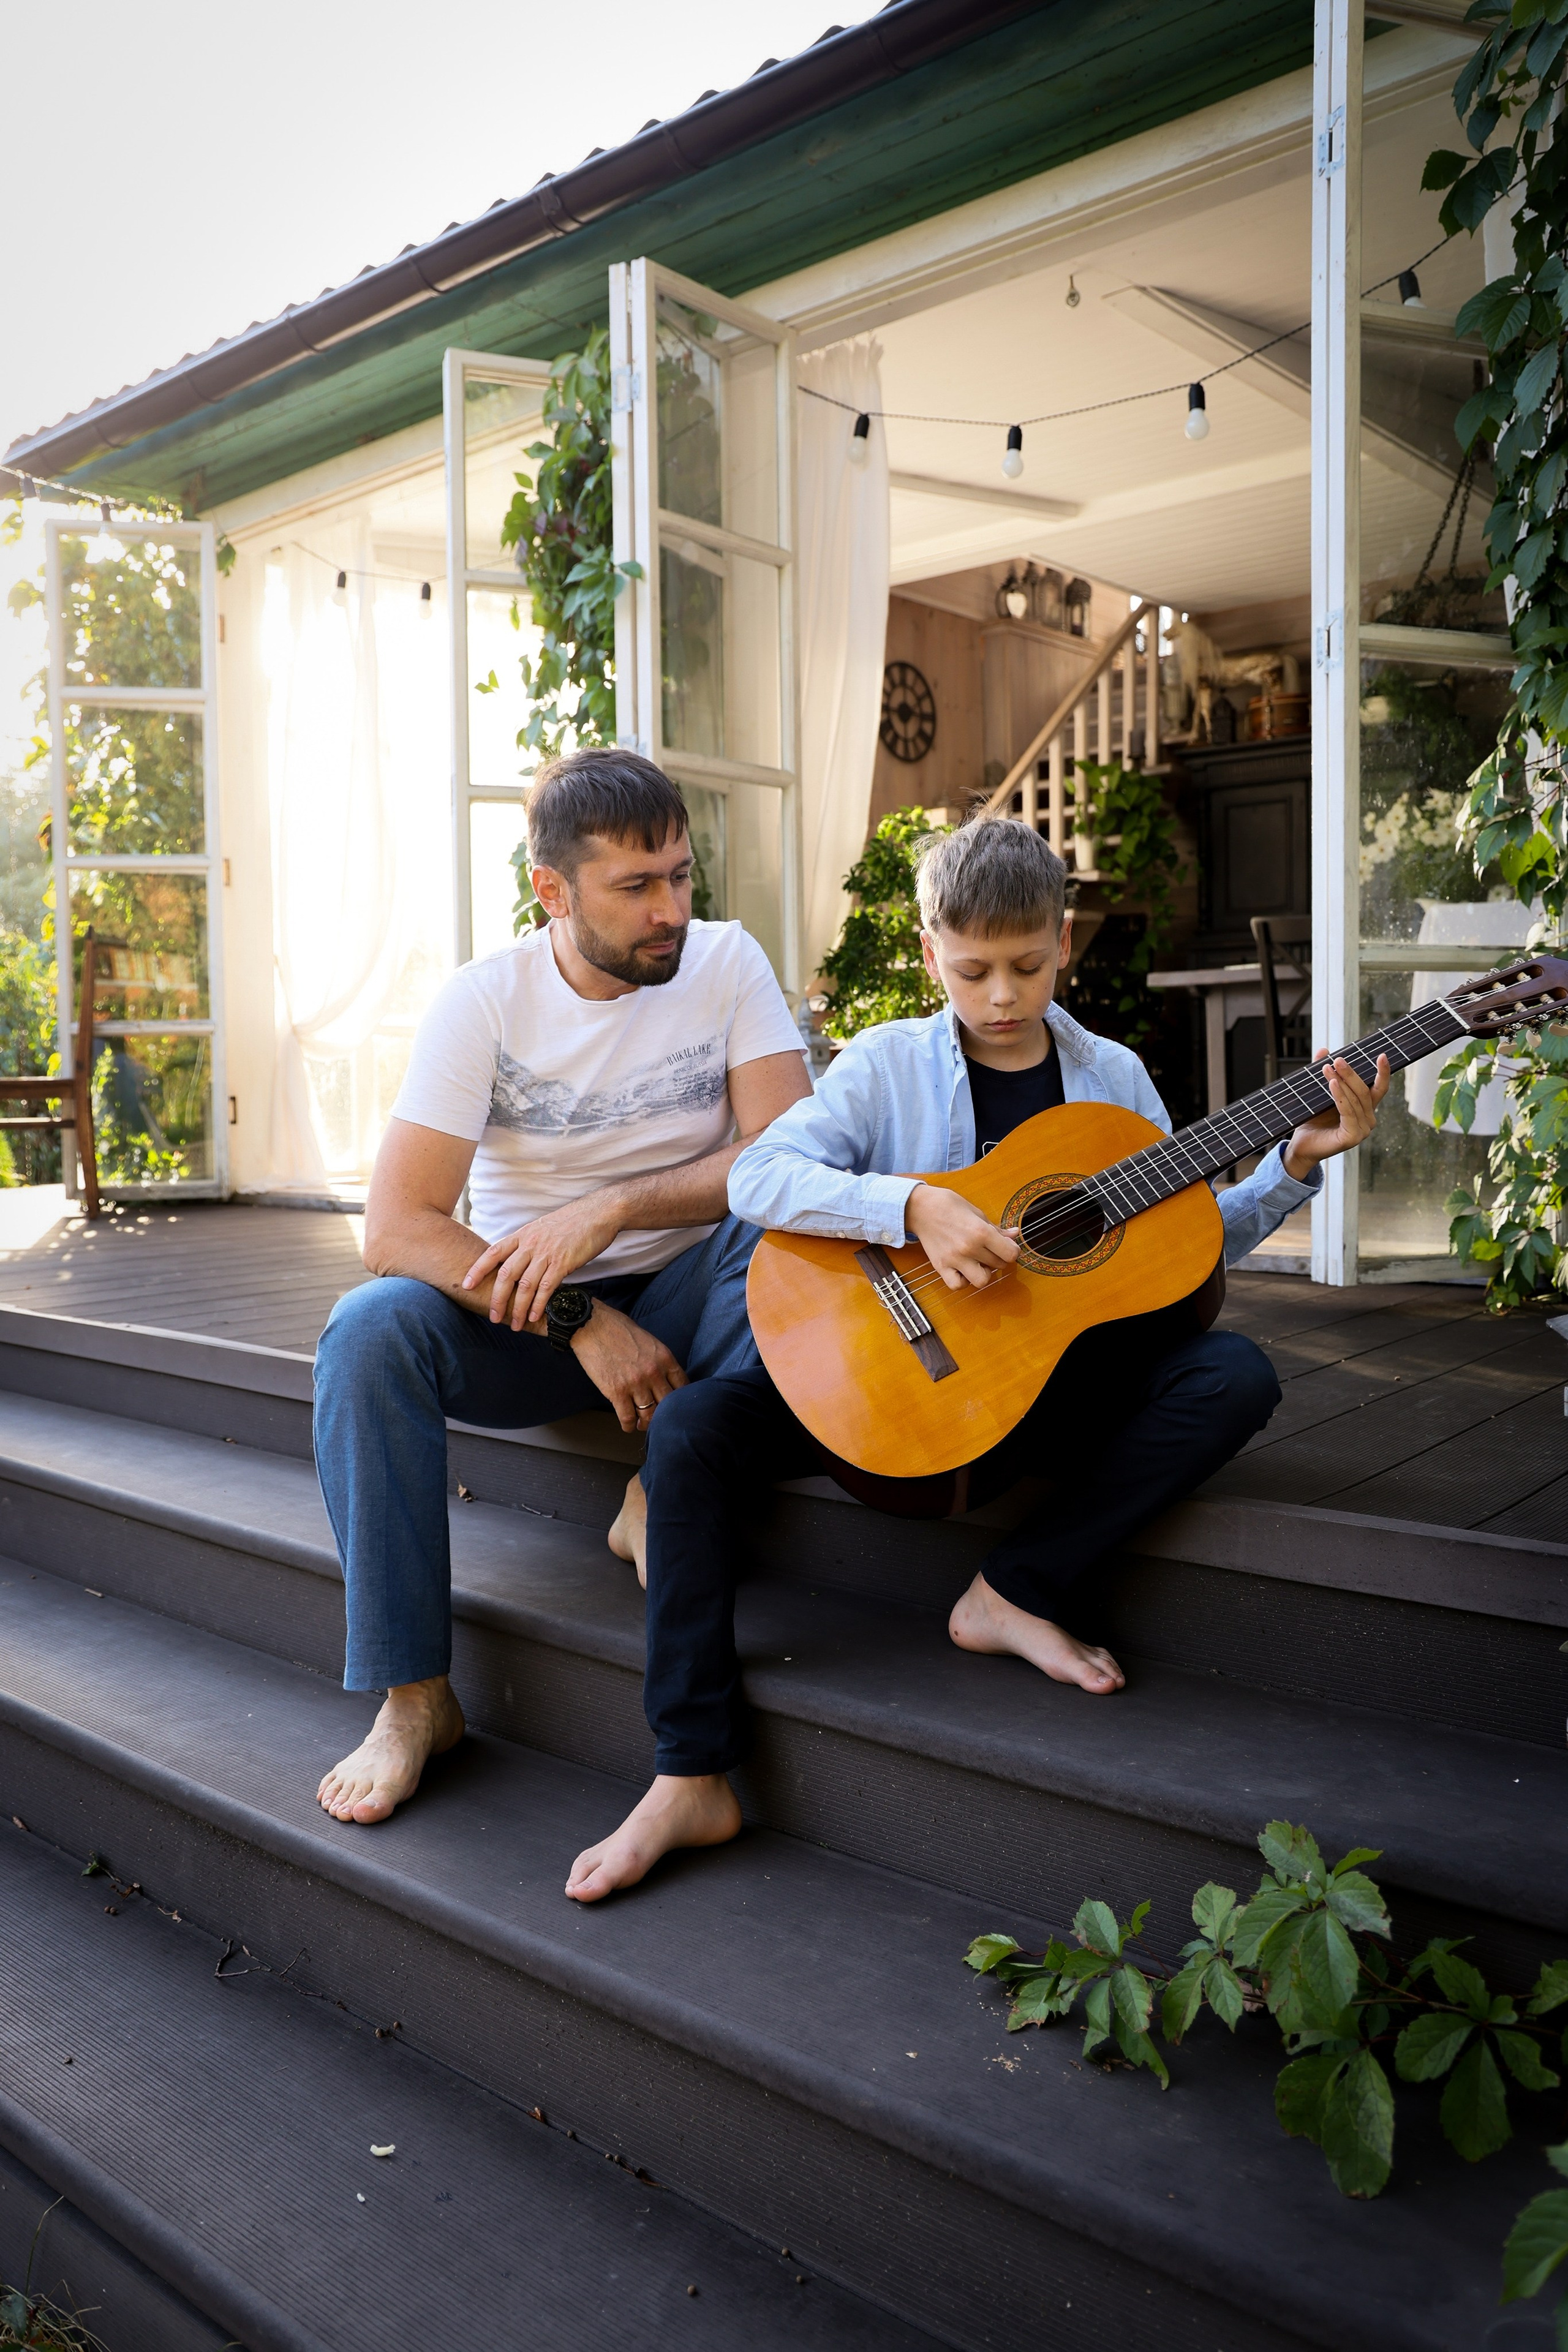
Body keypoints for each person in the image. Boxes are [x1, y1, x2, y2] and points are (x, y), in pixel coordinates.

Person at [564, 815, 1388, 1902]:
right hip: (886, 1391)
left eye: (1029, 966)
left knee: (1233, 1375)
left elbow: (1184, 1245)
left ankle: (1011, 1590)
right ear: (927, 954)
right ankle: (690, 1772)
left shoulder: (1115, 1078)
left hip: (1028, 1398)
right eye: (973, 970)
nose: (1002, 995)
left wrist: (1292, 1164)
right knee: (692, 1428)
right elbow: (762, 1178)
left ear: (1064, 940)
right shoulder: (885, 1064)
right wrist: (912, 1205)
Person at [312, 747, 810, 1839]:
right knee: (368, 1332)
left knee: (789, 1221)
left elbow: (787, 1155)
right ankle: (413, 1700)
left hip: (696, 1288)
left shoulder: (727, 964)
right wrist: (580, 1312)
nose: (670, 909)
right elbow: (395, 1227)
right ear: (554, 891)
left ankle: (657, 1482)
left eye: (681, 875)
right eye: (636, 887)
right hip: (531, 1322)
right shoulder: (484, 1004)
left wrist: (613, 1209)